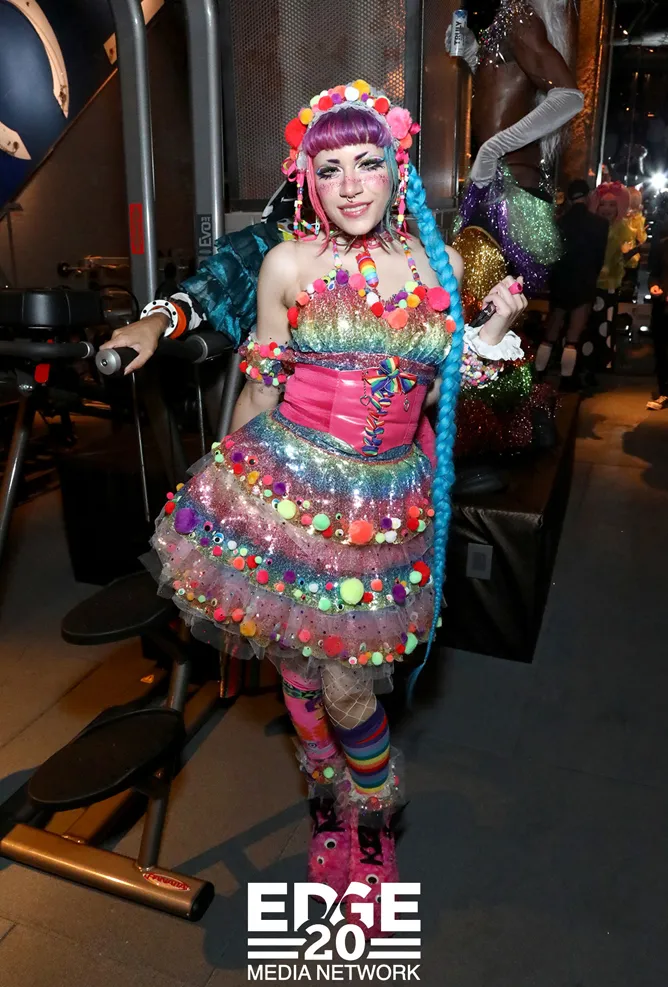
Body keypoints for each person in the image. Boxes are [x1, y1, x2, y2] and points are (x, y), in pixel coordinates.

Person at [100, 80, 526, 936]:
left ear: (397, 169)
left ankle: (373, 825)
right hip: (288, 489)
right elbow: (263, 388)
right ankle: (328, 808)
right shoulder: (287, 265)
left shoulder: (438, 267)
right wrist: (227, 496)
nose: (351, 185)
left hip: (381, 509)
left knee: (349, 689)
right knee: (296, 673)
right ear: (307, 179)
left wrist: (489, 337)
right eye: (330, 169)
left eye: (368, 162)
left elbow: (457, 390)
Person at [450, 0, 584, 296]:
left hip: (510, 188)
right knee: (479, 300)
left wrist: (494, 148)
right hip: (500, 181)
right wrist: (472, 53)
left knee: (482, 302)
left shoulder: (520, 17)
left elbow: (569, 98)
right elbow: (502, 87)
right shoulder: (508, 18)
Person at [535, 180, 609, 387]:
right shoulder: (600, 224)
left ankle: (539, 373)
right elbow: (599, 258)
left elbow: (550, 254)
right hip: (584, 279)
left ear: (568, 198)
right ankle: (567, 380)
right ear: (589, 196)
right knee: (573, 336)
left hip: (561, 280)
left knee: (551, 330)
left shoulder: (559, 223)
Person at [580, 182, 637, 377]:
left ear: (619, 207)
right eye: (603, 204)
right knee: (586, 326)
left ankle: (599, 366)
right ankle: (583, 365)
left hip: (609, 286)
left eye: (612, 205)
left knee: (604, 325)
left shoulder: (623, 228)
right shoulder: (590, 226)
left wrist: (628, 253)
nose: (607, 209)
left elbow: (632, 260)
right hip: (587, 284)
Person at [646, 219, 668, 410]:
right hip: (662, 307)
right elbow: (654, 273)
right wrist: (654, 285)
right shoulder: (662, 246)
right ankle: (665, 392)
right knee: (662, 350)